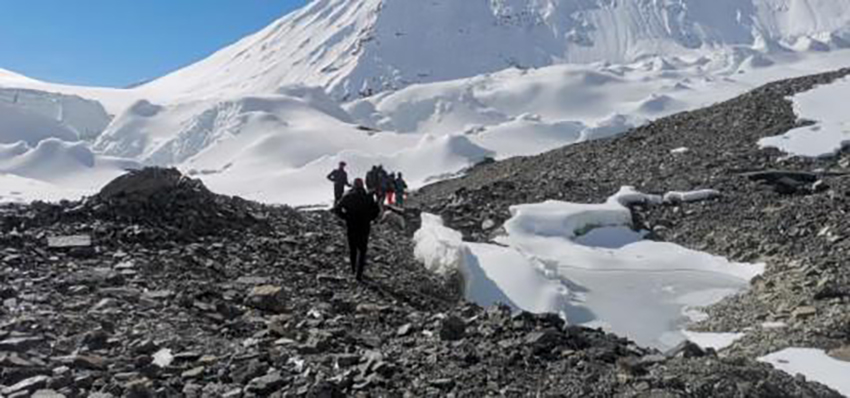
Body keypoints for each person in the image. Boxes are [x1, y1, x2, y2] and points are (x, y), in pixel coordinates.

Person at [333, 178, 380, 281]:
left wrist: (345, 217)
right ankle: (359, 273)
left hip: (351, 226)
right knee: (362, 250)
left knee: (353, 249)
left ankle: (354, 270)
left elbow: (336, 209)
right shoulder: (368, 197)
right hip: (364, 226)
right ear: (362, 185)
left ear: (354, 186)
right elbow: (376, 210)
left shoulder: (348, 197)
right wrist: (369, 218)